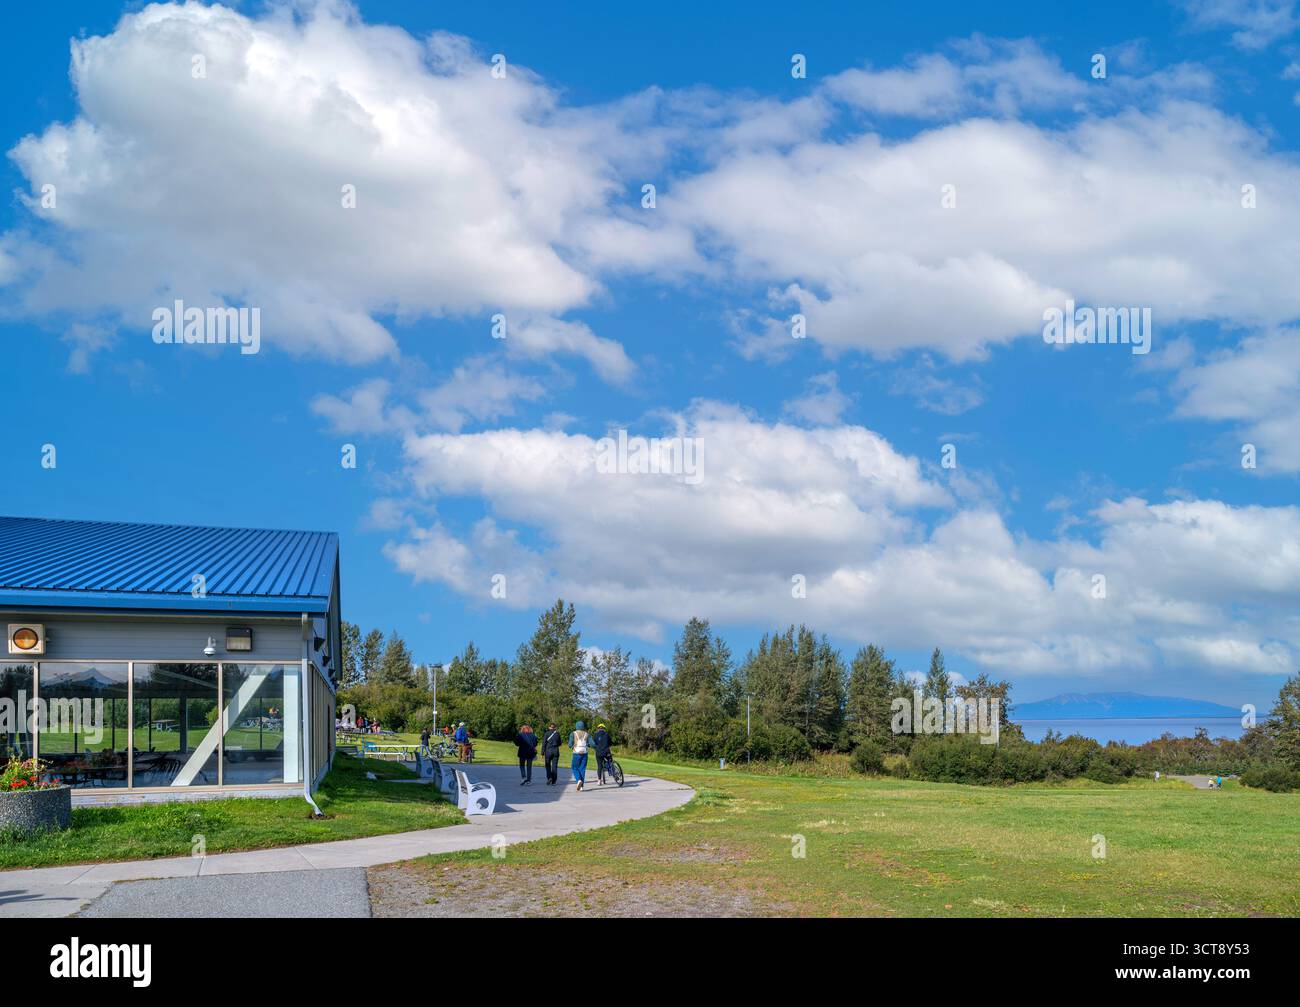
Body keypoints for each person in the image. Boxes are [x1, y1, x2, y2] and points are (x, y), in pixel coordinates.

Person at [569, 720, 590, 791]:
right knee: (582, 769)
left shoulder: (573, 733)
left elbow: (570, 744)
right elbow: (592, 743)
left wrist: (572, 746)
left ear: (576, 726)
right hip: (585, 753)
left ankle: (578, 780)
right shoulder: (587, 734)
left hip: (576, 753)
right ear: (583, 726)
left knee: (574, 768)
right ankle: (581, 787)